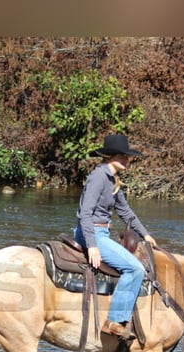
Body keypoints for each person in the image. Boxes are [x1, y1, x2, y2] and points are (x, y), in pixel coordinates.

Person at [74, 134, 157, 340]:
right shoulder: (98, 177)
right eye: (123, 156)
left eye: (127, 156)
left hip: (101, 232)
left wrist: (146, 234)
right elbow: (85, 213)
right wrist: (92, 245)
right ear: (110, 156)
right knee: (135, 268)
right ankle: (113, 320)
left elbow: (126, 212)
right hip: (91, 232)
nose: (127, 160)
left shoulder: (113, 180)